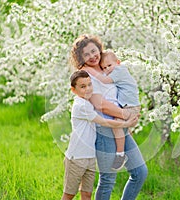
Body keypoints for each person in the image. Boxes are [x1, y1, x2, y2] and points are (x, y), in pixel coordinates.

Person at [70, 34, 148, 200]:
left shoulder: (107, 66)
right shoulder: (85, 75)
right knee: (108, 180)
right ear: (80, 58)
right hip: (104, 129)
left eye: (94, 50)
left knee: (140, 172)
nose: (92, 56)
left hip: (120, 127)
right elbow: (99, 103)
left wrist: (127, 119)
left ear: (99, 48)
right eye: (86, 54)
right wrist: (124, 115)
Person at [62, 70, 139, 200]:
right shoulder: (81, 106)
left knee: (87, 194)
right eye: (82, 86)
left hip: (90, 157)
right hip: (77, 158)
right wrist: (126, 124)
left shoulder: (87, 103)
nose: (88, 89)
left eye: (89, 84)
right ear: (73, 90)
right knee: (69, 195)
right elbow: (103, 121)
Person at [86, 50, 141, 170]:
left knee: (117, 124)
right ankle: (124, 150)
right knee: (123, 127)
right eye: (104, 68)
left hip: (130, 107)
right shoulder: (116, 71)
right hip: (128, 106)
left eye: (109, 65)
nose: (107, 69)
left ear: (118, 62)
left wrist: (91, 71)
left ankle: (120, 154)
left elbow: (104, 80)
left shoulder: (119, 71)